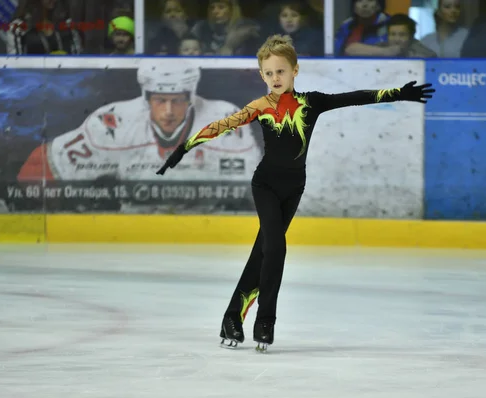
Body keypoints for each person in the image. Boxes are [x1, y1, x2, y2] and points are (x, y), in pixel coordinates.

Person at [156, 34, 434, 352]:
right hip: (266, 185)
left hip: (294, 188)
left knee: (264, 250)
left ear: (294, 70)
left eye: (281, 71)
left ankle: (232, 317)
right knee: (275, 248)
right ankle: (265, 320)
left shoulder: (311, 103)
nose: (276, 78)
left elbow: (354, 97)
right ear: (262, 75)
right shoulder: (259, 107)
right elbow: (220, 126)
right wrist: (184, 147)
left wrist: (398, 93)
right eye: (269, 73)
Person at [16, 59, 262, 213]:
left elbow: (259, 187)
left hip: (209, 229)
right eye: (160, 100)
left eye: (177, 101)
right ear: (147, 98)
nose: (168, 111)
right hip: (131, 228)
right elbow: (41, 165)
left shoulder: (224, 120)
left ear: (190, 98)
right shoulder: (114, 122)